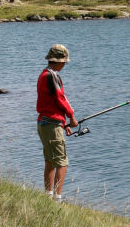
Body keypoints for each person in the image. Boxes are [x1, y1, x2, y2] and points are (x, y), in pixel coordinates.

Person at [36, 44, 78, 202]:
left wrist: (63, 124)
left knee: (50, 160)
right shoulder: (52, 75)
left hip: (45, 123)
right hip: (51, 124)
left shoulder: (44, 74)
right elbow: (61, 98)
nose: (65, 65)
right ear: (58, 61)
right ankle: (57, 199)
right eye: (64, 62)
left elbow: (52, 101)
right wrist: (71, 117)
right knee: (62, 162)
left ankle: (48, 196)